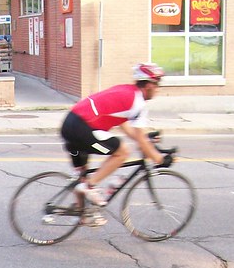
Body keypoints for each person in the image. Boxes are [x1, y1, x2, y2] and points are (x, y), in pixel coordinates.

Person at [59, 63, 167, 226]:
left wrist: (144, 139)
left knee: (83, 175)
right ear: (150, 84)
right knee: (123, 152)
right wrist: (160, 159)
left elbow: (126, 127)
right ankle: (89, 187)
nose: (158, 89)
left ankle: (84, 214)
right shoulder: (138, 104)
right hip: (82, 127)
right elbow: (139, 139)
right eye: (157, 84)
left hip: (70, 123)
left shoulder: (126, 91)